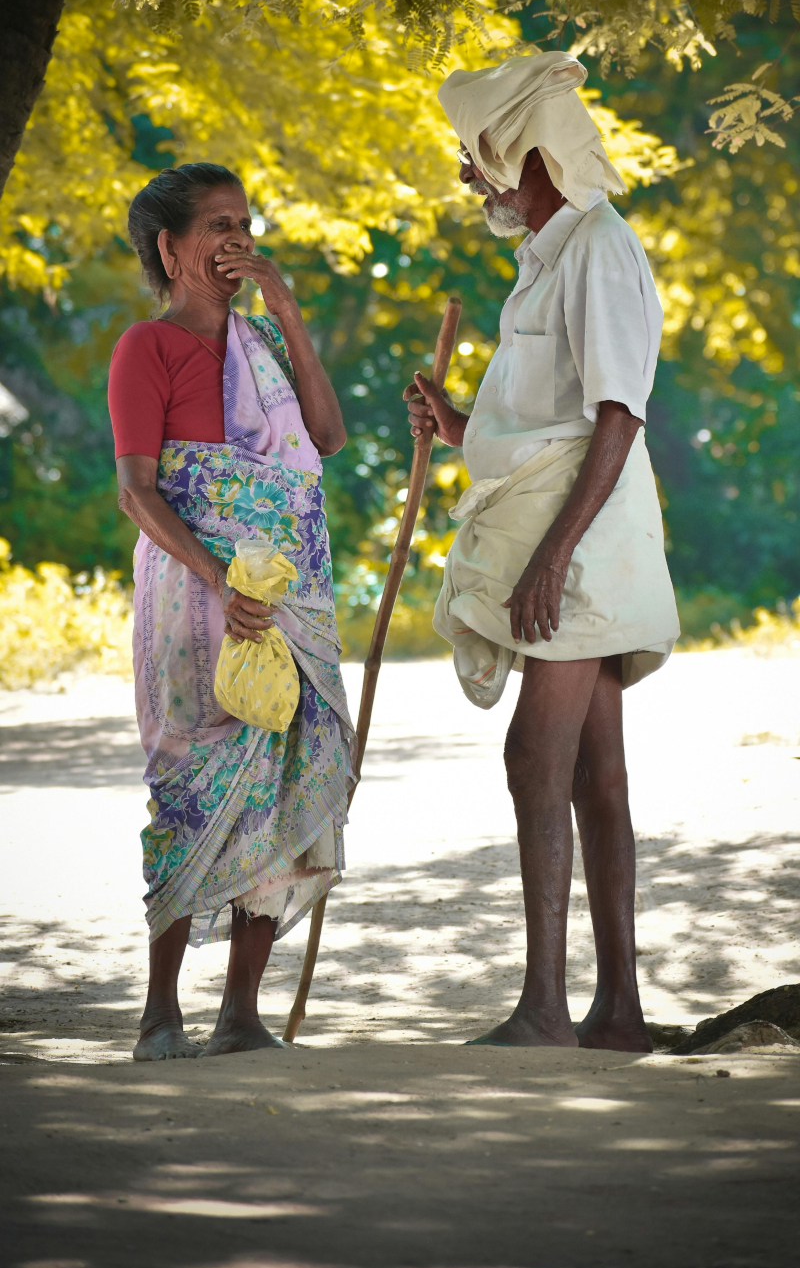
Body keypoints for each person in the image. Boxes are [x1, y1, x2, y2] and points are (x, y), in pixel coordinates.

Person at [404, 53, 680, 1051]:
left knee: (536, 757)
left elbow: (615, 416)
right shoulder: (556, 253)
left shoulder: (599, 249)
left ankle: (542, 1013)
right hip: (576, 541)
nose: (468, 177)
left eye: (476, 156)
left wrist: (552, 557)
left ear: (526, 151)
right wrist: (455, 420)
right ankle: (614, 1013)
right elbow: (554, 415)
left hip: (585, 548)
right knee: (593, 777)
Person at [109, 162, 354, 1061]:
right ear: (170, 249)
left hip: (287, 597)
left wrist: (286, 312)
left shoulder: (260, 345)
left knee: (288, 777)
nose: (236, 241)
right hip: (197, 594)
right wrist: (221, 577)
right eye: (216, 226)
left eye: (244, 223)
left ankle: (240, 1015)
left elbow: (324, 441)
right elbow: (138, 492)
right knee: (191, 784)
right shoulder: (148, 346)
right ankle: (159, 1013)